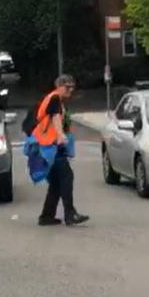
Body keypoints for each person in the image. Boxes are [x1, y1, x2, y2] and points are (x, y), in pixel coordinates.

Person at [32, 74, 89, 227]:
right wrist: (61, 135)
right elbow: (55, 117)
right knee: (67, 177)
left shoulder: (54, 98)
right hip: (52, 146)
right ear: (60, 86)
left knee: (56, 183)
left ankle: (46, 216)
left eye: (72, 87)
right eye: (68, 87)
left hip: (47, 146)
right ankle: (70, 215)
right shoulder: (55, 98)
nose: (71, 90)